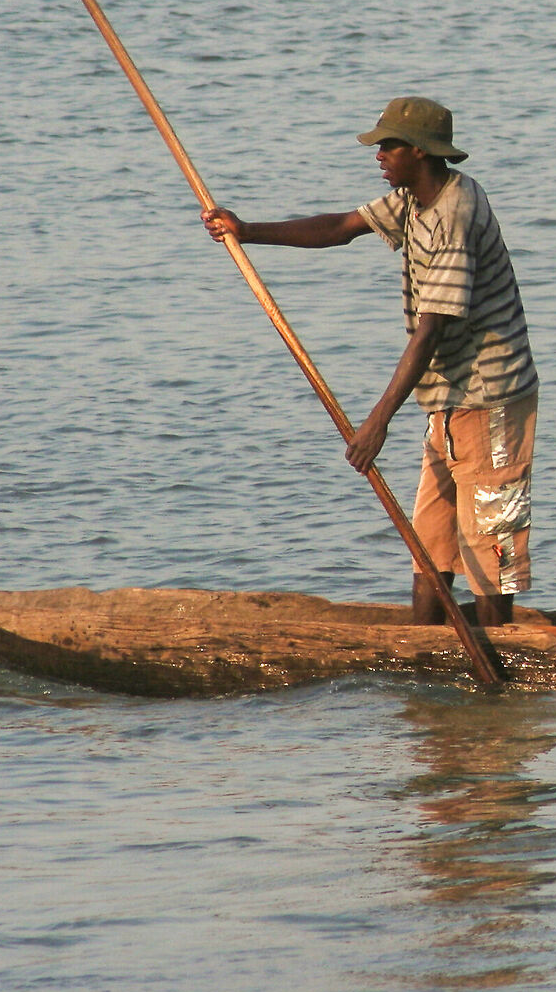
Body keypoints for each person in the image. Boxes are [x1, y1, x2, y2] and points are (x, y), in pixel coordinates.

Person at [202, 96, 538, 627]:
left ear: (420, 153)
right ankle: (422, 655)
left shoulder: (454, 214)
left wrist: (377, 422)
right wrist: (247, 230)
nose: (378, 155)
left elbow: (431, 331)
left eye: (388, 146)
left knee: (491, 546)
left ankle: (501, 661)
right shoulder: (412, 199)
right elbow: (339, 225)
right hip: (446, 398)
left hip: (489, 398)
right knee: (429, 546)